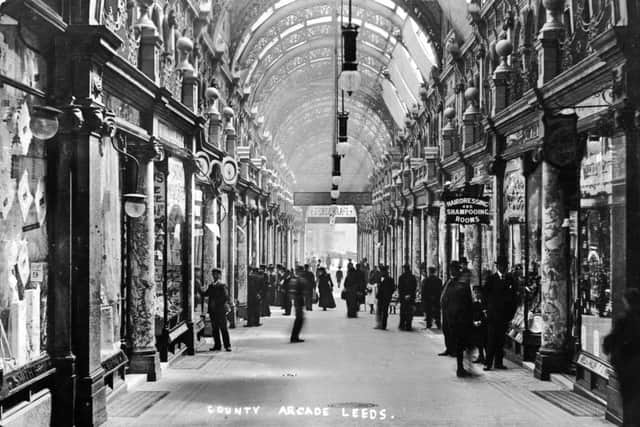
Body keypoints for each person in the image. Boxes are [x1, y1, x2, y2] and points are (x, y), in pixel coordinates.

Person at [604, 288, 640, 427]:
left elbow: (613, 339)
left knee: (630, 400)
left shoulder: (625, 319)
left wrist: (608, 347)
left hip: (629, 366)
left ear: (627, 302)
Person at [483, 256, 516, 371]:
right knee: (491, 339)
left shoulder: (510, 279)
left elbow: (513, 298)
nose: (503, 268)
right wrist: (486, 310)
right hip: (493, 315)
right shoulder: (491, 279)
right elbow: (485, 295)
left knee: (501, 340)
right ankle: (488, 363)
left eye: (505, 266)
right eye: (501, 266)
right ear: (497, 267)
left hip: (504, 315)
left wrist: (511, 313)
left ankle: (498, 363)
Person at [442, 265, 473, 377]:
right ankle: (461, 369)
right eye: (467, 276)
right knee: (464, 345)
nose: (468, 278)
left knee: (462, 345)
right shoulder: (463, 287)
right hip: (462, 320)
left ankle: (462, 368)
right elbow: (468, 304)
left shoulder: (453, 285)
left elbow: (445, 301)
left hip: (455, 320)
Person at [200, 268, 231, 352]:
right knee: (215, 329)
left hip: (220, 310)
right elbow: (206, 294)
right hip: (213, 311)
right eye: (213, 274)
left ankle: (227, 345)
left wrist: (216, 303)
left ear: (219, 275)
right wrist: (201, 290)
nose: (214, 276)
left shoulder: (222, 285)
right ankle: (217, 345)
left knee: (223, 328)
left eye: (216, 274)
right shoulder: (211, 285)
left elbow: (225, 297)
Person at [439, 261, 460, 357]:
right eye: (450, 269)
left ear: (457, 270)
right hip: (446, 310)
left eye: (453, 269)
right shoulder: (449, 280)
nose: (451, 271)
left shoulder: (459, 282)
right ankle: (448, 348)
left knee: (454, 330)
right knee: (446, 329)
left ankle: (454, 350)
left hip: (454, 311)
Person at [290, 266, 307, 343]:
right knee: (299, 319)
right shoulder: (297, 280)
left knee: (299, 319)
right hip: (298, 302)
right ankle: (294, 337)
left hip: (298, 301)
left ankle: (295, 336)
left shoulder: (296, 280)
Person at [398, 264, 417, 331]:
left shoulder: (401, 277)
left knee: (403, 311)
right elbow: (414, 287)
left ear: (404, 269)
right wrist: (411, 295)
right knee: (409, 311)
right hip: (411, 297)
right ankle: (408, 325)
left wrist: (402, 296)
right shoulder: (413, 277)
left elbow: (400, 288)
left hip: (403, 297)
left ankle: (402, 324)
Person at [375, 265, 395, 329]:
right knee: (384, 311)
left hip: (382, 297)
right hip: (386, 297)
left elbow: (381, 288)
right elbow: (393, 288)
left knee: (381, 310)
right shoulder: (390, 279)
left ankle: (381, 324)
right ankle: (383, 325)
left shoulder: (384, 279)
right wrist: (389, 294)